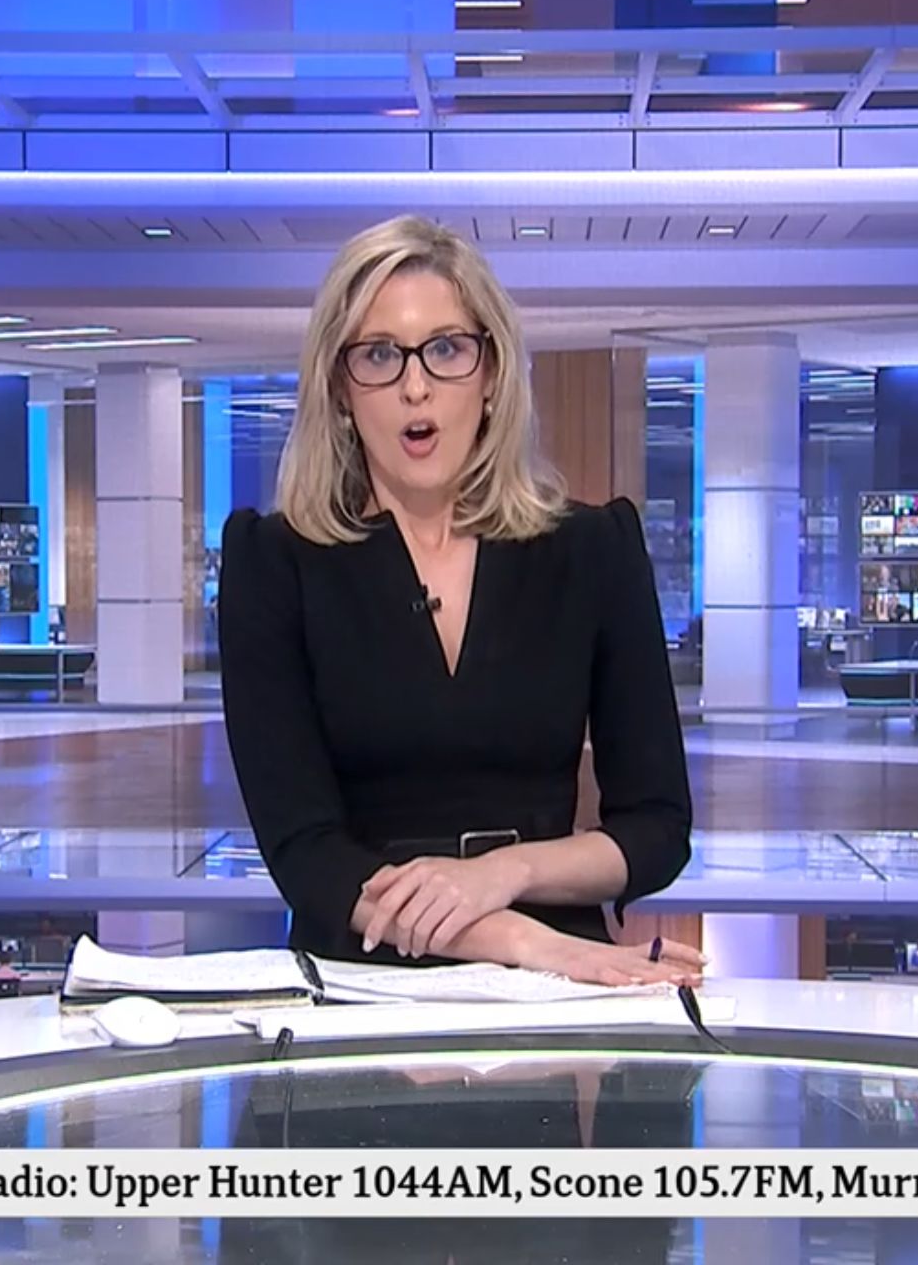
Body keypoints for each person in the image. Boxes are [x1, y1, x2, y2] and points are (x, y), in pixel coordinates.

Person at [219, 216, 701, 987]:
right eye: (379, 355)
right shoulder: (274, 563)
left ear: (492, 374)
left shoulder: (593, 549)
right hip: (368, 978)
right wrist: (521, 940)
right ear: (340, 389)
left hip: (556, 987)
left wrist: (503, 874)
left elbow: (657, 828)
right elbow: (305, 854)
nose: (415, 386)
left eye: (446, 350)